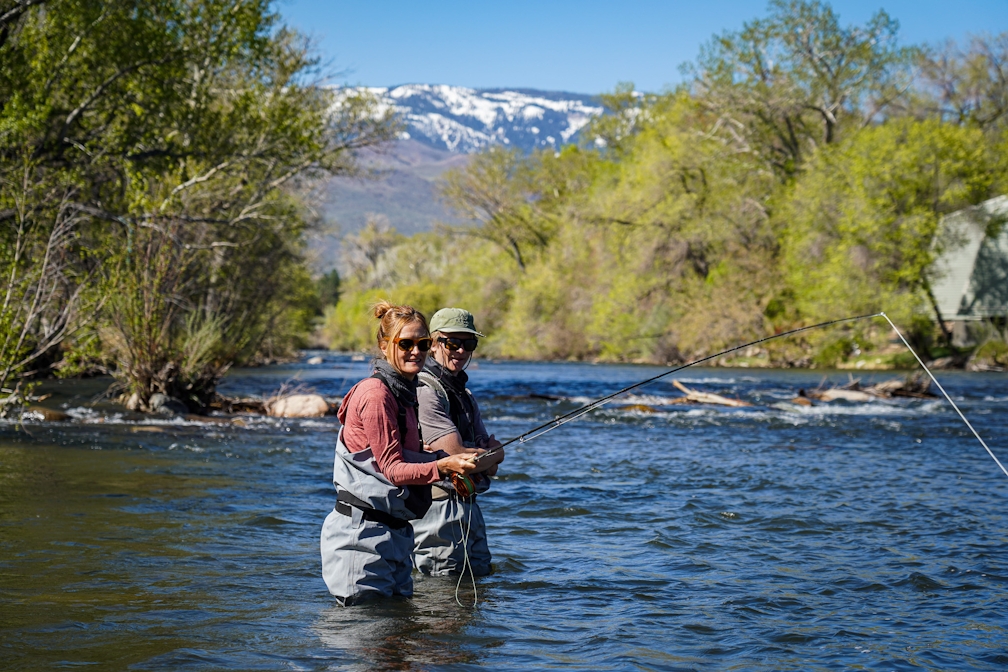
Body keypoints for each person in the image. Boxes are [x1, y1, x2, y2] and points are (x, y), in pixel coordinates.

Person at [320, 301, 488, 605]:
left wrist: (439, 461)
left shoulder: (404, 393)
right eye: (405, 343)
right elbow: (393, 469)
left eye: (422, 343)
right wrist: (444, 465)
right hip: (361, 536)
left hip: (395, 533)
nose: (416, 351)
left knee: (398, 640)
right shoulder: (376, 395)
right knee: (368, 636)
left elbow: (406, 456)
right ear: (384, 346)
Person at [411, 308, 505, 577]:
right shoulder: (426, 391)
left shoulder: (465, 394)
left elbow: (484, 465)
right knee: (442, 598)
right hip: (437, 510)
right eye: (453, 343)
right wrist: (495, 455)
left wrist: (488, 460)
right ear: (433, 343)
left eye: (469, 343)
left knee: (480, 583)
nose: (461, 351)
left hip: (469, 506)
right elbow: (462, 458)